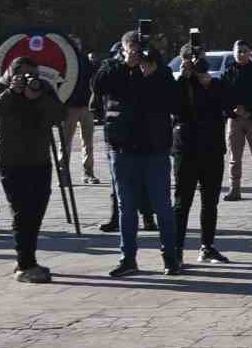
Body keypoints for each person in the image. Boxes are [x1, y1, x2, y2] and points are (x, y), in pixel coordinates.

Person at [92, 29, 180, 277]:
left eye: (139, 50)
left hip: (155, 148)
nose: (136, 55)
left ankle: (170, 258)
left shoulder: (158, 70)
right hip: (122, 147)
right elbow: (97, 87)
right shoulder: (112, 67)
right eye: (131, 50)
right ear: (123, 49)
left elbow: (175, 102)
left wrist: (152, 75)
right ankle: (127, 258)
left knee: (162, 205)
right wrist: (125, 66)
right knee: (126, 206)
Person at [0, 56, 64, 281]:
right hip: (13, 161)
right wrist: (12, 93)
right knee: (21, 213)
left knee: (36, 213)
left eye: (33, 75)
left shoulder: (42, 88)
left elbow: (59, 115)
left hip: (40, 160)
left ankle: (28, 260)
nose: (30, 79)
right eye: (25, 75)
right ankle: (25, 265)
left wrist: (38, 98)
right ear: (12, 73)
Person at [172, 41, 231, 265]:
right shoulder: (180, 83)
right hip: (186, 149)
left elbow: (228, 103)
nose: (199, 63)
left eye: (202, 58)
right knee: (182, 201)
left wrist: (208, 84)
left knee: (210, 201)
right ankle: (176, 249)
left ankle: (207, 246)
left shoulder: (214, 83)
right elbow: (173, 108)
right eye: (194, 59)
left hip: (212, 148)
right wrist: (182, 79)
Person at [222, 40, 252, 200]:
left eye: (244, 51)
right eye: (239, 51)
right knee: (234, 158)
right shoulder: (228, 73)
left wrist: (249, 110)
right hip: (234, 119)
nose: (241, 54)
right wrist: (232, 110)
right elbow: (223, 96)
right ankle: (234, 189)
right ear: (233, 52)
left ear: (250, 53)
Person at [61, 38, 99, 184]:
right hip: (69, 106)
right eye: (74, 43)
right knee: (65, 142)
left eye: (78, 43)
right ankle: (64, 174)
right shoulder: (63, 61)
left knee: (88, 141)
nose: (76, 46)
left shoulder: (84, 59)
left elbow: (93, 78)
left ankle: (88, 173)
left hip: (85, 105)